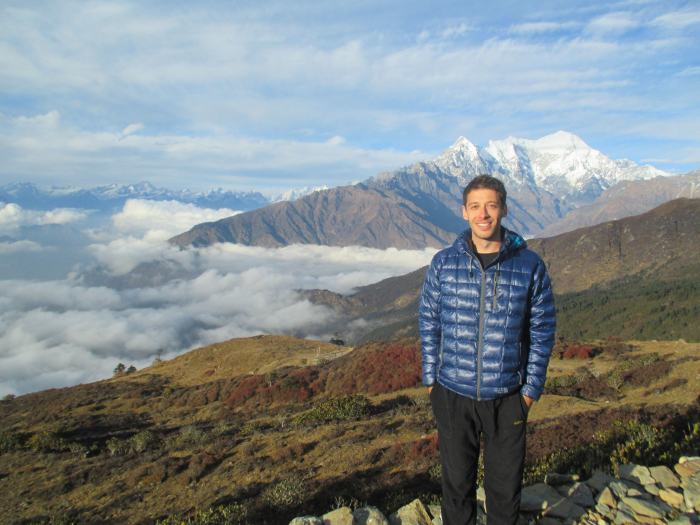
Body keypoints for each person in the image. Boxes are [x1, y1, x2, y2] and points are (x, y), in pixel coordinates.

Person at [419, 174, 556, 525]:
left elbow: (542, 331)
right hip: (452, 395)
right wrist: (432, 381)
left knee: (504, 494)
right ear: (464, 211)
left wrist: (529, 392)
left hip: (507, 397)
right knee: (456, 491)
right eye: (476, 206)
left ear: (505, 209)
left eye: (491, 206)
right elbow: (428, 323)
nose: (484, 214)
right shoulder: (444, 264)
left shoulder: (529, 266)